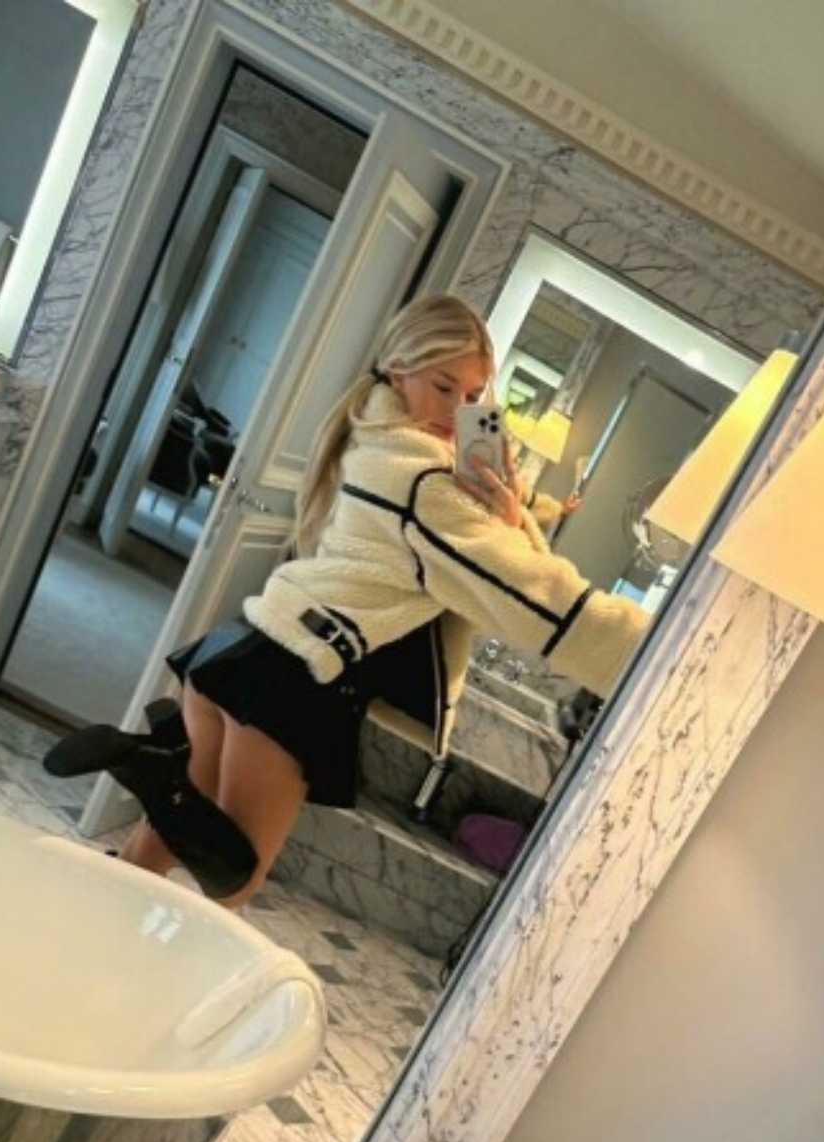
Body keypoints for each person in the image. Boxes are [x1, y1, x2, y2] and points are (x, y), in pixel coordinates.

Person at [45, 294, 649, 905]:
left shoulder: (374, 437)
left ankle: (100, 904)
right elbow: (531, 594)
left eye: (473, 395)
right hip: (294, 680)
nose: (457, 409)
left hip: (241, 651)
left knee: (158, 847)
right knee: (234, 881)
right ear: (401, 369)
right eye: (444, 386)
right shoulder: (428, 482)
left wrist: (509, 515)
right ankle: (156, 777)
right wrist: (651, 652)